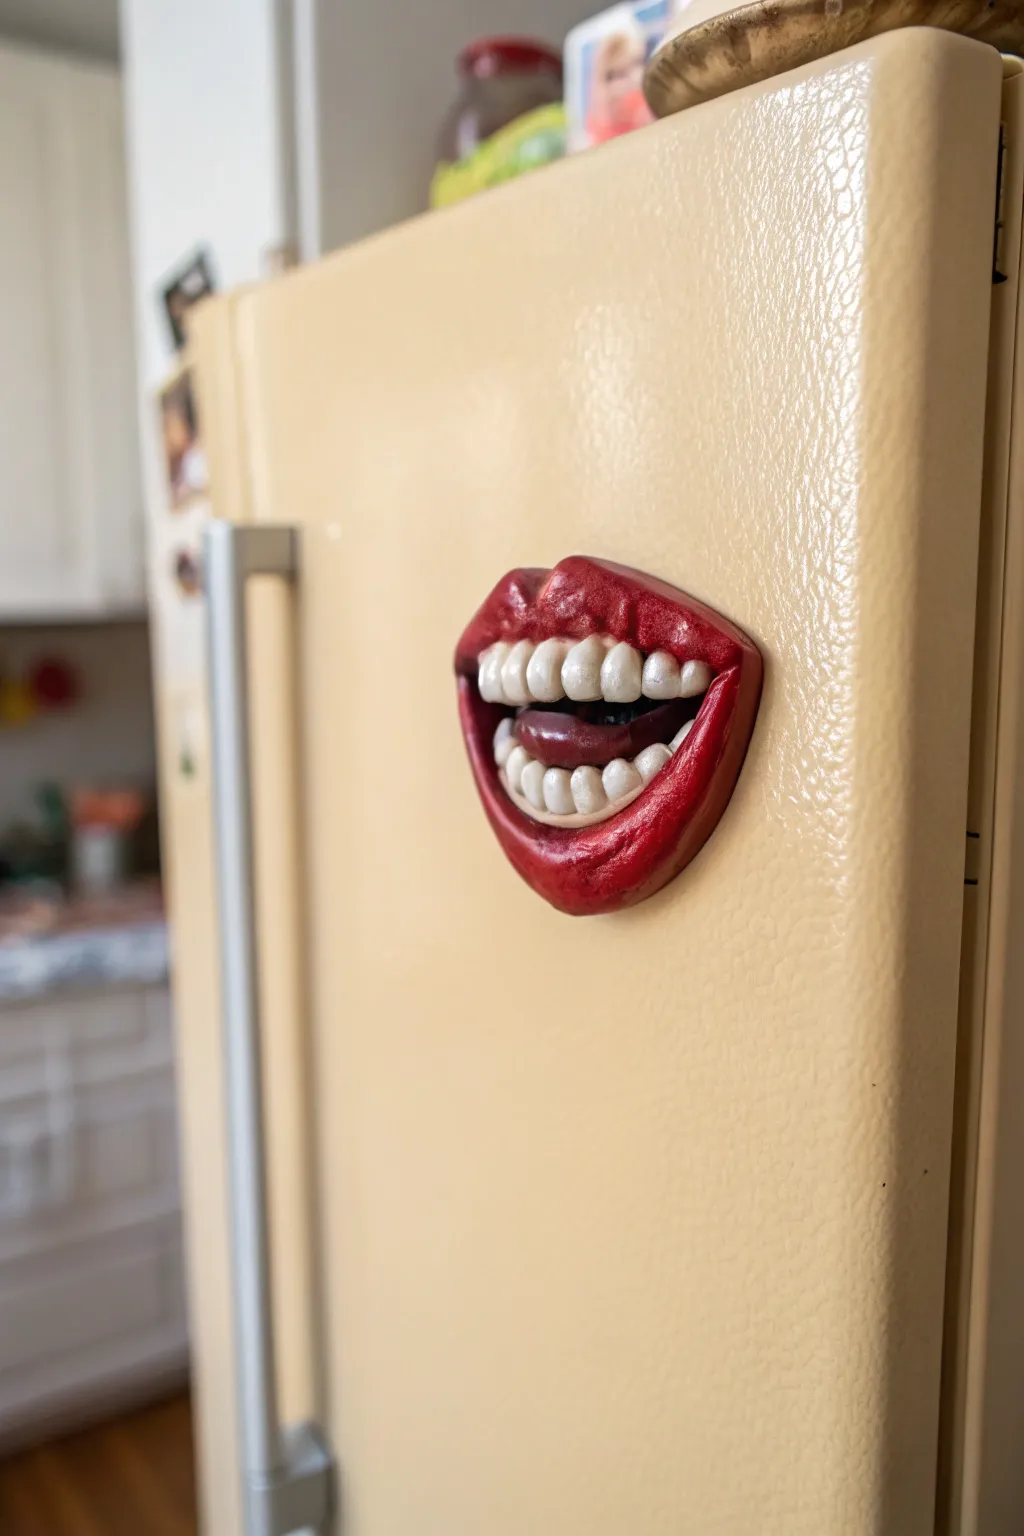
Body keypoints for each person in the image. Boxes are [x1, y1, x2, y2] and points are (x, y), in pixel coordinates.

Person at [586, 27, 652, 144]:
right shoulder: (625, 97)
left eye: (640, 62)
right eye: (636, 62)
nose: (639, 71)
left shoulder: (641, 96)